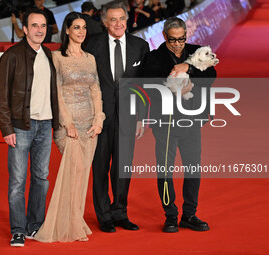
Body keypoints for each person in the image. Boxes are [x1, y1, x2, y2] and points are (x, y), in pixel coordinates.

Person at [34, 11, 105, 242]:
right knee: (72, 173)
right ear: (66, 30)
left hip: (90, 127)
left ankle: (75, 218)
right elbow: (57, 92)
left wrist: (98, 119)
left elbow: (95, 90)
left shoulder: (90, 58)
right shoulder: (57, 58)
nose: (81, 32)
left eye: (84, 27)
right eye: (76, 27)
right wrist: (67, 123)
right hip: (69, 126)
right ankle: (68, 222)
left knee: (83, 174)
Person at [143, 16, 216, 233]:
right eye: (173, 40)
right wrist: (175, 91)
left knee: (193, 168)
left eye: (181, 39)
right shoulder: (154, 58)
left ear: (186, 35)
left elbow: (211, 73)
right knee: (165, 170)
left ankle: (190, 215)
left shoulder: (197, 52)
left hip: (191, 121)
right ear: (165, 36)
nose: (177, 44)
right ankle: (171, 215)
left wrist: (189, 67)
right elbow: (149, 86)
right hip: (165, 124)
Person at [0, 8, 59, 247]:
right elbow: (0, 96)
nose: (40, 30)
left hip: (46, 126)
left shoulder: (50, 56)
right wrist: (6, 128)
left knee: (41, 179)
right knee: (18, 182)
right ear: (24, 29)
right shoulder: (11, 56)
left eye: (43, 26)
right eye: (34, 25)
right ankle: (18, 229)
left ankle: (35, 225)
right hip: (21, 127)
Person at [85, 1, 149, 233]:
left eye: (121, 18)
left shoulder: (140, 46)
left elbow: (144, 85)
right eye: (113, 19)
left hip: (128, 116)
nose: (118, 23)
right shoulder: (92, 45)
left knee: (123, 167)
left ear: (127, 18)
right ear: (104, 22)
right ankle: (104, 216)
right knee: (100, 166)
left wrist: (142, 117)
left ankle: (120, 212)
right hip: (99, 117)